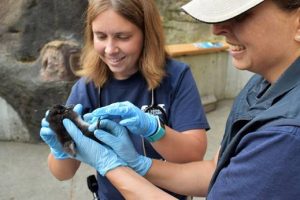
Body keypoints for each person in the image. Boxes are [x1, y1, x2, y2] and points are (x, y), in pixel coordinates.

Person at [60, 0, 300, 199]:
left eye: (241, 15)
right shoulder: (262, 84)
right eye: (101, 36)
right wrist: (137, 163)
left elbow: (197, 156)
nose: (216, 29)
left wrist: (112, 165)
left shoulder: (285, 135)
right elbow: (214, 172)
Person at [40, 0, 209, 199]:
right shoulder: (87, 87)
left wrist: (155, 130)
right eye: (101, 36)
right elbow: (64, 173)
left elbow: (194, 156)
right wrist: (60, 146)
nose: (110, 49)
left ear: (147, 34)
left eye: (122, 37)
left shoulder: (176, 77)